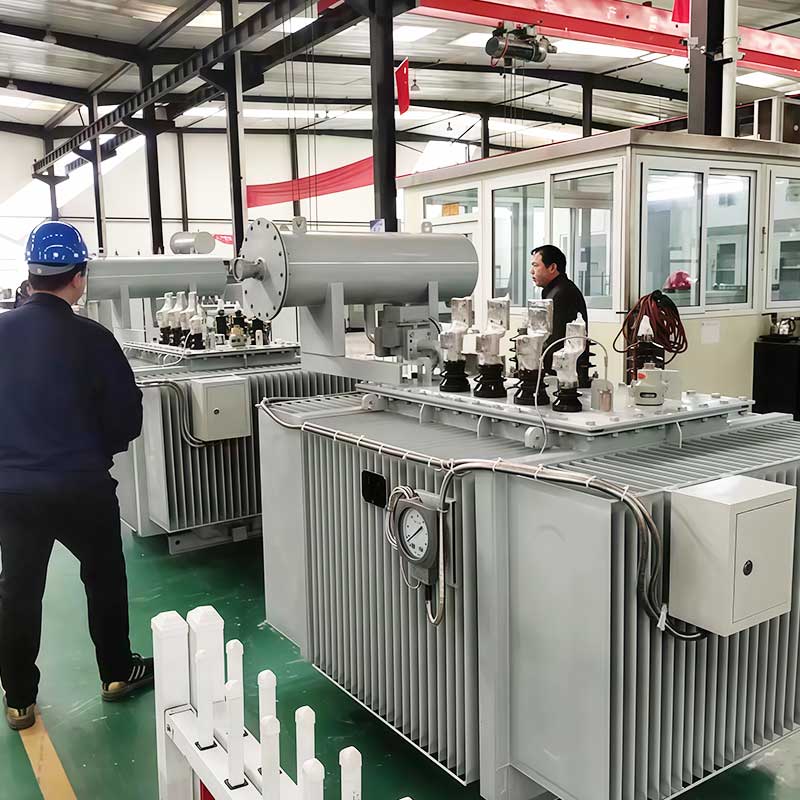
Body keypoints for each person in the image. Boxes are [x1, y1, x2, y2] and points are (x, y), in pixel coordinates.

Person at [0, 221, 152, 732]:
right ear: (79, 276)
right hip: (82, 484)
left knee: (18, 589)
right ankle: (117, 673)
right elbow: (127, 417)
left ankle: (19, 699)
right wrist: (93, 452)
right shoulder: (94, 338)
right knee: (104, 576)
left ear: (30, 275)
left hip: (14, 489)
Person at [530, 244, 590, 385]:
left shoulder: (562, 293)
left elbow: (555, 339)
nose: (531, 271)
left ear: (552, 267)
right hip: (557, 371)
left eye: (536, 266)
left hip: (563, 375)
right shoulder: (552, 291)